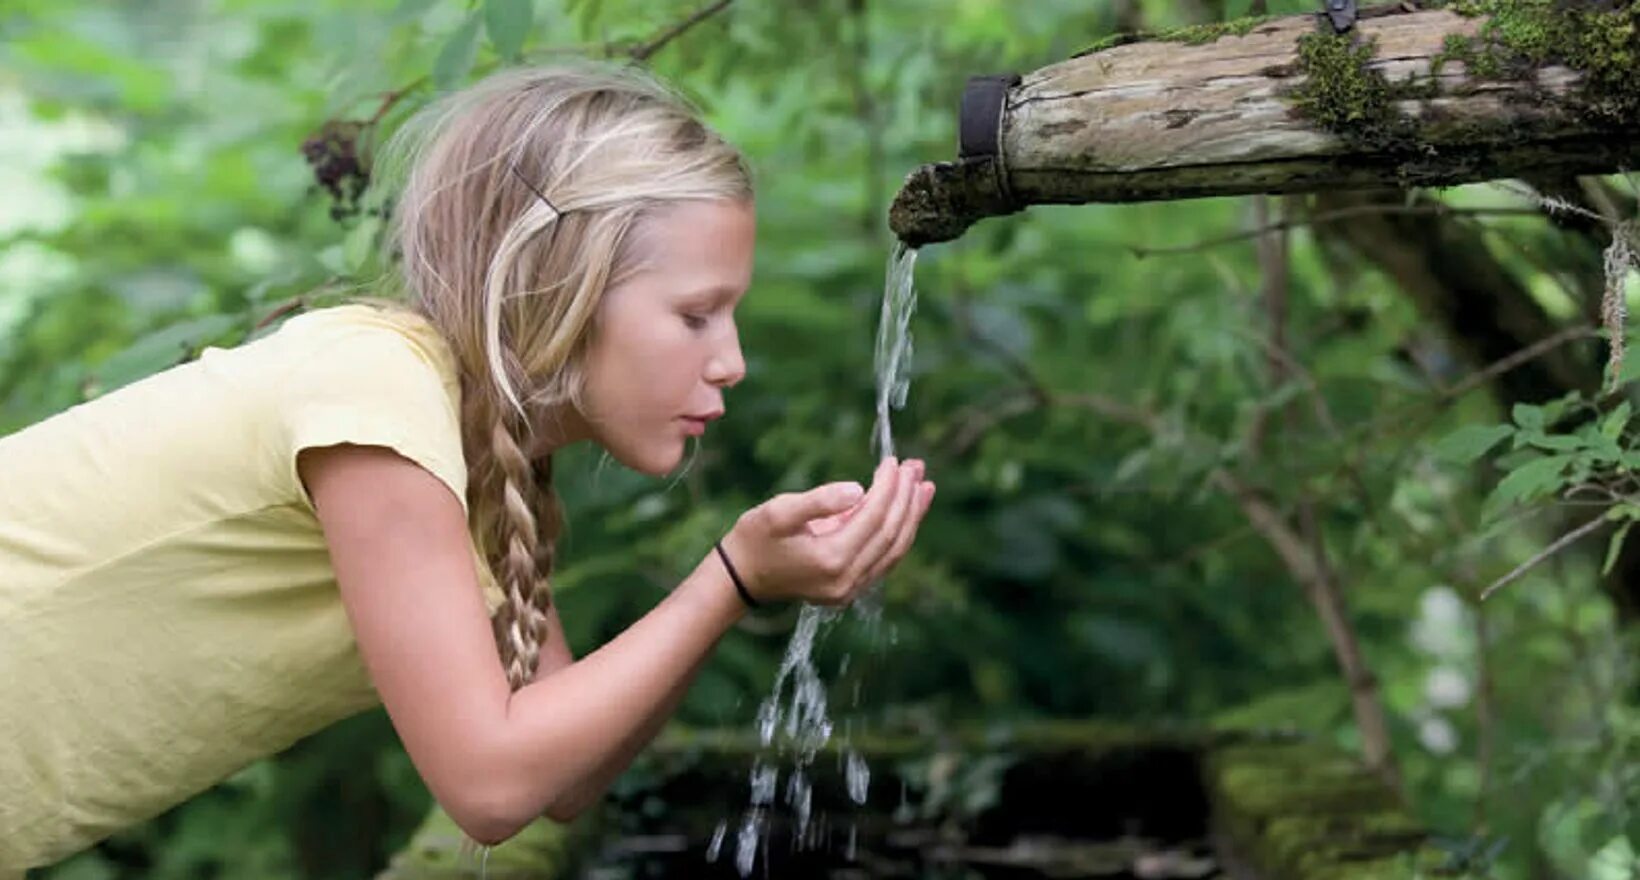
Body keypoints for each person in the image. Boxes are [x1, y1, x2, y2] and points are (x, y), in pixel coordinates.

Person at [0, 59, 935, 872]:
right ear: (564, 286)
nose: (730, 360)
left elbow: (558, 779)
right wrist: (727, 580)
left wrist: (745, 585)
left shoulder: (467, 455)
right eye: (695, 315)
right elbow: (489, 783)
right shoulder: (373, 399)